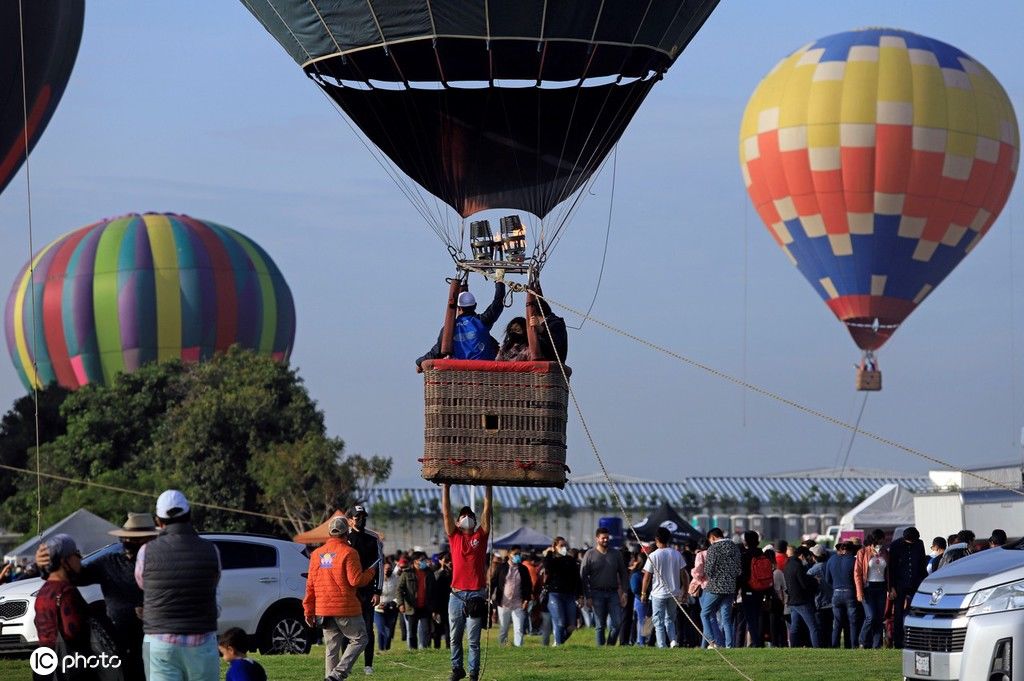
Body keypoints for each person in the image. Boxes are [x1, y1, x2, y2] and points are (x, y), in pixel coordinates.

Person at [36, 512, 159, 681]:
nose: (129, 543)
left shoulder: (162, 563)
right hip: (121, 639)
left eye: (137, 539)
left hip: (157, 637)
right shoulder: (110, 562)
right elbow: (73, 575)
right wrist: (48, 566)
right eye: (128, 538)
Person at [135, 490, 221, 681]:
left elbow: (142, 584)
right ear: (189, 515)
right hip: (201, 639)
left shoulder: (146, 551)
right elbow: (214, 582)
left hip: (160, 640)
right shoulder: (211, 550)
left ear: (158, 521)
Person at [304, 516, 377, 681]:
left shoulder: (316, 554)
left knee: (331, 648)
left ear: (330, 533)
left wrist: (308, 610)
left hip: (323, 609)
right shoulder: (350, 552)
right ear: (347, 532)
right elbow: (356, 580)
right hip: (346, 608)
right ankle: (338, 674)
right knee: (360, 638)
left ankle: (330, 678)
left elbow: (310, 585)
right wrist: (371, 572)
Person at [442, 483, 491, 681]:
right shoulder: (454, 536)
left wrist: (489, 488)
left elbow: (488, 510)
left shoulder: (481, 535)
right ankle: (457, 669)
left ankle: (473, 673)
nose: (467, 517)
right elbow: (446, 513)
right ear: (458, 521)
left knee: (473, 639)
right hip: (456, 594)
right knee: (454, 637)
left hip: (476, 594)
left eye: (470, 514)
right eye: (463, 515)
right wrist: (446, 488)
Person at [33, 534, 89, 681]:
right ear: (65, 561)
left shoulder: (44, 590)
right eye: (76, 554)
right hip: (66, 668)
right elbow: (73, 633)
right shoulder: (66, 592)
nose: (80, 558)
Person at [416, 281, 506, 370]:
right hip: (485, 371)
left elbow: (436, 351)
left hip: (460, 373)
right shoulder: (483, 321)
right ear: (475, 306)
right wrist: (499, 283)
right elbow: (498, 303)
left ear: (458, 307)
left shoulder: (448, 329)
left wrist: (419, 362)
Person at [342, 505, 384, 675]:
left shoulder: (373, 538)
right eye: (357, 517)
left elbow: (380, 564)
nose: (361, 520)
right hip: (349, 591)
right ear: (350, 520)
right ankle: (346, 666)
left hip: (367, 591)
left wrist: (378, 591)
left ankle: (368, 665)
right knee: (346, 629)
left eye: (363, 517)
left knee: (367, 629)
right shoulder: (343, 539)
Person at [579, 527, 628, 646]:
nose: (606, 540)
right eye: (603, 538)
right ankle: (600, 650)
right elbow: (583, 576)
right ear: (597, 539)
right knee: (600, 625)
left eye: (607, 537)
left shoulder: (616, 554)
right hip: (596, 593)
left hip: (613, 593)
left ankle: (610, 645)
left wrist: (624, 592)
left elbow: (623, 573)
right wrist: (587, 596)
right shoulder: (589, 554)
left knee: (617, 623)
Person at [640, 527, 684, 649]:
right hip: (674, 592)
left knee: (658, 621)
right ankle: (673, 641)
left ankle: (662, 645)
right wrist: (684, 590)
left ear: (657, 539)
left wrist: (643, 593)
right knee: (670, 619)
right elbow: (683, 574)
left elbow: (647, 577)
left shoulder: (653, 556)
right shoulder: (676, 554)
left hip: (658, 594)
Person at [887, 527, 928, 649]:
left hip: (915, 582)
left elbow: (922, 564)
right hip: (899, 583)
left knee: (918, 611)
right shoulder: (895, 545)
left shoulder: (919, 544)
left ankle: (918, 640)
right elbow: (891, 568)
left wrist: (924, 582)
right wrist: (891, 587)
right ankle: (898, 642)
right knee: (898, 613)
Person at [701, 528, 741, 648]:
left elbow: (708, 570)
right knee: (726, 619)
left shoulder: (713, 548)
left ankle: (712, 642)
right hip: (730, 587)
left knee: (705, 614)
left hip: (715, 587)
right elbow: (738, 569)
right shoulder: (734, 547)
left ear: (712, 537)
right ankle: (729, 646)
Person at [490, 546, 532, 647]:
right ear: (509, 555)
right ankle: (502, 646)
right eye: (515, 554)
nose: (518, 556)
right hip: (504, 603)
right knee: (504, 628)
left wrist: (526, 599)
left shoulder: (523, 569)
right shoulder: (501, 567)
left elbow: (528, 585)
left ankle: (518, 648)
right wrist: (490, 596)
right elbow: (493, 582)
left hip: (518, 603)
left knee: (519, 629)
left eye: (519, 554)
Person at [543, 536, 581, 646]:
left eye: (565, 545)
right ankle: (559, 645)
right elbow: (548, 567)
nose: (564, 548)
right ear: (554, 547)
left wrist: (579, 595)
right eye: (561, 546)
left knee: (572, 625)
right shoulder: (552, 560)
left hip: (569, 595)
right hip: (555, 594)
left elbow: (577, 578)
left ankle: (559, 641)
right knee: (560, 622)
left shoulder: (570, 560)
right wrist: (549, 553)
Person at [854, 529, 888, 649]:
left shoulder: (884, 552)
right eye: (880, 539)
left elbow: (889, 571)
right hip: (868, 587)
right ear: (875, 539)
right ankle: (862, 640)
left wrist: (890, 588)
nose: (882, 542)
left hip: (882, 587)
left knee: (879, 617)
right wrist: (859, 591)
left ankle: (876, 644)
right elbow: (857, 573)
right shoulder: (862, 552)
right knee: (871, 616)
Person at [738, 531, 772, 648]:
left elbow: (741, 576)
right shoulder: (763, 555)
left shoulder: (744, 556)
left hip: (748, 590)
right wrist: (768, 596)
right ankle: (759, 641)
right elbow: (768, 575)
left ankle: (756, 643)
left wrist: (735, 592)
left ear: (746, 541)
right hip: (761, 590)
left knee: (750, 619)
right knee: (758, 617)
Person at [824, 542, 859, 648]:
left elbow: (827, 579)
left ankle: (835, 646)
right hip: (850, 592)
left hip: (836, 592)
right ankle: (853, 646)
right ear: (850, 550)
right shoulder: (853, 560)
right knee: (853, 622)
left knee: (837, 623)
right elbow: (857, 577)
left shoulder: (831, 560)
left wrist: (835, 586)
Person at [398, 550, 436, 650]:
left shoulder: (429, 573)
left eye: (425, 559)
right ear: (415, 561)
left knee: (426, 630)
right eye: (421, 560)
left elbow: (433, 590)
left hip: (425, 606)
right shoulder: (407, 573)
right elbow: (399, 589)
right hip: (411, 607)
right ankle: (413, 649)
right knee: (412, 631)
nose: (424, 562)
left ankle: (426, 648)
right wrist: (401, 604)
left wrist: (434, 608)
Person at [373, 559, 400, 652]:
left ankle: (386, 649)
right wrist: (377, 604)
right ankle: (381, 649)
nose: (387, 570)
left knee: (389, 632)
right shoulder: (377, 579)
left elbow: (398, 592)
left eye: (389, 568)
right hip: (378, 609)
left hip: (391, 608)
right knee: (381, 630)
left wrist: (395, 602)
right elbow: (372, 594)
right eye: (385, 568)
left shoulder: (395, 578)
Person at [431, 553, 453, 649]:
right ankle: (437, 647)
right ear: (440, 561)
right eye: (446, 560)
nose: (449, 562)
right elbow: (433, 590)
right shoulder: (435, 572)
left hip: (450, 604)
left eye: (450, 560)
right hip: (438, 604)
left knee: (449, 627)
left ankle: (449, 646)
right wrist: (434, 608)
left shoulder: (453, 572)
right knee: (437, 628)